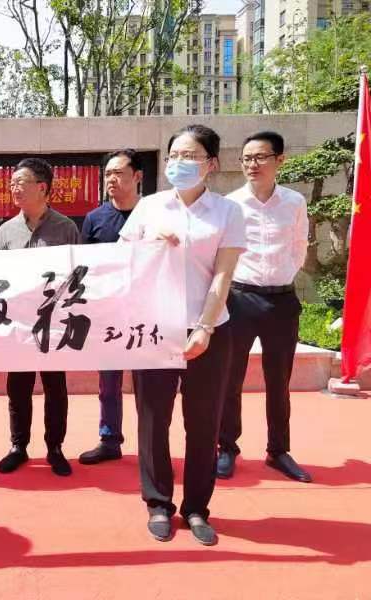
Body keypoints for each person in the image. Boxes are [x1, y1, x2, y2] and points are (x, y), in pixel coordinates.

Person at [120, 124, 245, 545]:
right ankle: (158, 503)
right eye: (174, 155)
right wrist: (148, 244)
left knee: (204, 423)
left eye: (190, 156)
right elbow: (122, 262)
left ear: (212, 164)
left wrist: (205, 327)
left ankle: (196, 508)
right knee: (153, 419)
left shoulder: (228, 212)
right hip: (156, 327)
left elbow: (223, 275)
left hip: (209, 328)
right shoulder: (149, 207)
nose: (179, 163)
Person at [217, 131, 312, 483]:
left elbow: (299, 245)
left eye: (260, 157)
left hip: (282, 300)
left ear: (279, 160)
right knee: (230, 378)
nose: (252, 164)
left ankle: (278, 450)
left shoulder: (294, 202)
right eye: (246, 158)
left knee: (279, 380)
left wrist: (284, 275)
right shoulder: (231, 204)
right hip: (240, 298)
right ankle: (227, 447)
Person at [0, 157, 81, 477]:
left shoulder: (66, 228)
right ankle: (18, 446)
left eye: (21, 183)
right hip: (18, 325)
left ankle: (55, 447)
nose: (14, 188)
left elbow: (77, 276)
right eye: (12, 183)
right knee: (18, 387)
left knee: (55, 387)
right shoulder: (5, 232)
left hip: (55, 325)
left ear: (42, 188)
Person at [78, 149, 143, 465]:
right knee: (108, 384)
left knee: (150, 386)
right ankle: (109, 440)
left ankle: (152, 445)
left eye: (118, 173)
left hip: (148, 312)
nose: (111, 180)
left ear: (137, 176)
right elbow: (85, 268)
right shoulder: (94, 219)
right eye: (107, 174)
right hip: (109, 314)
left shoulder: (154, 214)